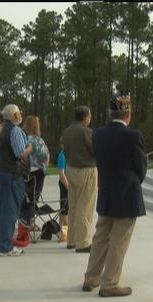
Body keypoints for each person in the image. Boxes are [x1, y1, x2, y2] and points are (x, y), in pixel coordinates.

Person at [82, 94, 146, 297]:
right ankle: (109, 284)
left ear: (111, 114)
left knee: (101, 237)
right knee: (119, 240)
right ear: (128, 114)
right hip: (126, 194)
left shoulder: (98, 134)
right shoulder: (133, 136)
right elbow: (141, 167)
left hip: (107, 192)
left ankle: (91, 278)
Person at [0, 104, 33, 257]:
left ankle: (1, 241)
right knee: (9, 211)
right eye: (19, 112)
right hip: (11, 175)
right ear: (15, 115)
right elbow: (20, 153)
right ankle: (5, 246)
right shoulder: (15, 130)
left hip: (0, 172)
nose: (20, 114)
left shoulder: (0, 129)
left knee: (1, 209)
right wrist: (30, 147)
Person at [62, 106, 97, 253]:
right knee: (85, 207)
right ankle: (83, 243)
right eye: (89, 116)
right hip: (86, 170)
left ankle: (72, 240)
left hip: (70, 169)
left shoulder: (67, 131)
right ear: (85, 118)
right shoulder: (85, 131)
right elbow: (95, 150)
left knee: (74, 206)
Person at [15, 115, 50, 248]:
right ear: (36, 126)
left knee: (28, 197)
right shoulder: (36, 139)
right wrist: (46, 160)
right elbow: (44, 155)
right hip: (38, 171)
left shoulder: (23, 138)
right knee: (34, 197)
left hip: (27, 171)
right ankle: (30, 222)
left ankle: (26, 221)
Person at [57, 138, 70, 246]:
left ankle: (60, 229)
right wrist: (68, 187)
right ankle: (65, 233)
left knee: (64, 209)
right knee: (65, 210)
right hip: (64, 184)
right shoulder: (62, 155)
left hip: (69, 184)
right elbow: (61, 173)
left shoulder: (71, 155)